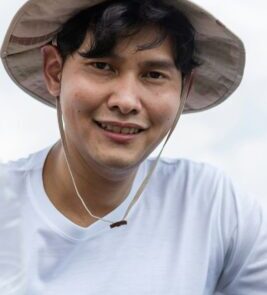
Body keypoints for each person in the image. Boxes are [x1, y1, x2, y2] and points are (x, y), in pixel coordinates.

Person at [1, 0, 267, 294]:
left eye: (154, 75)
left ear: (184, 89)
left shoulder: (214, 207)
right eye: (102, 66)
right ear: (54, 72)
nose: (126, 101)